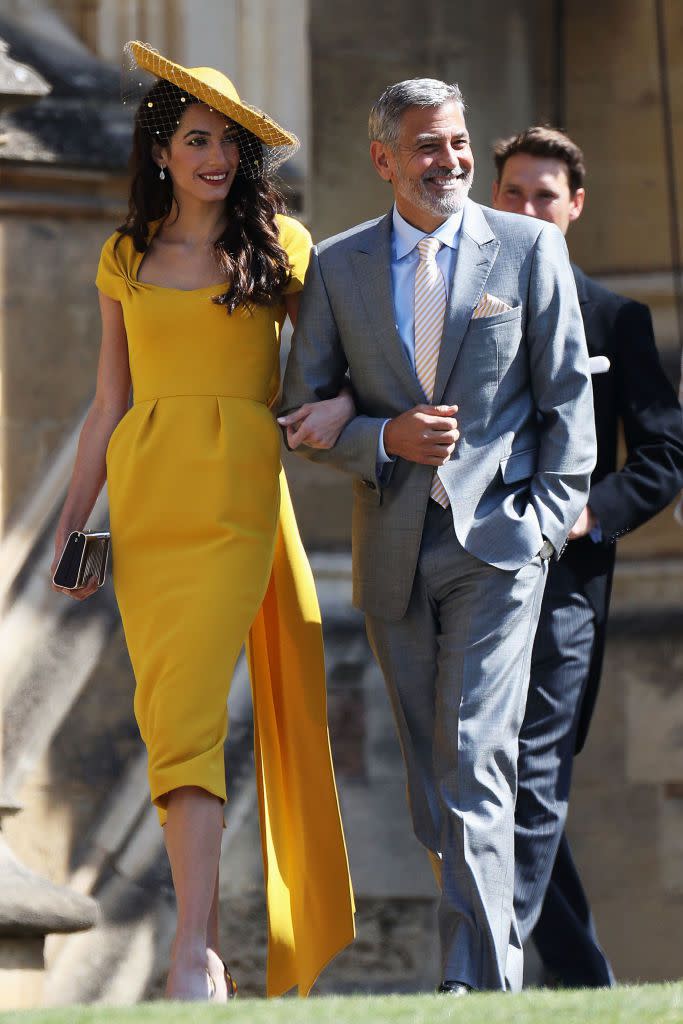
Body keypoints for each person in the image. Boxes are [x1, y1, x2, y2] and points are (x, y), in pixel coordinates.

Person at [50, 41, 355, 1002]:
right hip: (146, 504)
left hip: (238, 500)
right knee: (173, 719)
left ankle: (191, 951)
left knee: (193, 713)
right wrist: (71, 530)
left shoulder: (285, 247)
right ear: (162, 149)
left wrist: (342, 413)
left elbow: (332, 372)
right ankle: (203, 950)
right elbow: (107, 404)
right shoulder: (123, 256)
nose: (214, 156)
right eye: (195, 139)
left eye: (227, 141)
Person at [279, 78, 596, 995]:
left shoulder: (530, 249)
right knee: (433, 778)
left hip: (500, 547)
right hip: (391, 552)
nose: (450, 161)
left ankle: (475, 984)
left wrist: (540, 525)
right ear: (383, 160)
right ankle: (483, 964)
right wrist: (382, 437)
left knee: (472, 756)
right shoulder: (335, 268)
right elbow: (297, 412)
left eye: (457, 142)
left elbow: (567, 401)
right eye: (427, 145)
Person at [492, 125, 683, 987]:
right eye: (512, 193)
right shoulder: (446, 307)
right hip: (464, 578)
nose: (526, 208)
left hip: (567, 584)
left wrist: (584, 513)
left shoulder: (615, 318)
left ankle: (487, 969)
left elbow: (664, 454)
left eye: (543, 195)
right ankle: (580, 983)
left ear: (573, 208)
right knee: (482, 781)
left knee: (536, 770)